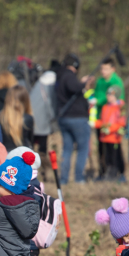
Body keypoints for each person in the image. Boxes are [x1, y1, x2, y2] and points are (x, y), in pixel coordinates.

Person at [55, 53, 92, 184]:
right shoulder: (69, 76)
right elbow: (73, 87)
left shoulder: (59, 77)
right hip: (76, 118)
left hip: (64, 118)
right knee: (83, 148)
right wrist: (83, 84)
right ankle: (79, 178)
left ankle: (64, 179)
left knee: (67, 149)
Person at [95, 85, 126, 181]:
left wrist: (110, 129)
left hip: (114, 138)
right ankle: (106, 174)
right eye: (107, 94)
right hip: (105, 137)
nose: (108, 96)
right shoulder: (105, 107)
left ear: (116, 96)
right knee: (106, 157)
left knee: (115, 158)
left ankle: (119, 175)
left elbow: (121, 123)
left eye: (111, 94)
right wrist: (95, 124)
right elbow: (102, 122)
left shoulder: (120, 108)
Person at [29, 69, 57, 161]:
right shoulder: (49, 86)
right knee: (42, 143)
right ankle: (42, 161)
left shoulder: (38, 85)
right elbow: (50, 104)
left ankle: (31, 161)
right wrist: (53, 117)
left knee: (31, 143)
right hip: (43, 119)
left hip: (32, 118)